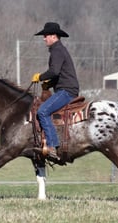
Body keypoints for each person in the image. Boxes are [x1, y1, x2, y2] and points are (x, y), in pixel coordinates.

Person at [32, 22, 79, 160]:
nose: (44, 38)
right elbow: (59, 75)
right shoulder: (58, 50)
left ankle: (52, 146)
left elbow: (54, 71)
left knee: (42, 111)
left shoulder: (57, 51)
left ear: (53, 36)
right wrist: (48, 84)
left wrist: (40, 77)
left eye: (45, 35)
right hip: (66, 88)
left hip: (66, 91)